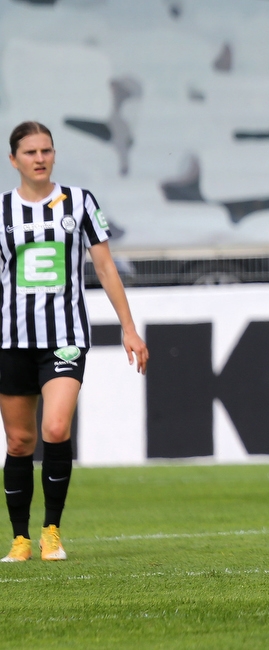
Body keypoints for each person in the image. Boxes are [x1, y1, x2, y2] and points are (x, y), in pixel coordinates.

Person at [0, 121, 148, 562]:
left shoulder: (80, 203)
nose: (40, 158)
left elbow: (104, 269)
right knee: (20, 443)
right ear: (14, 160)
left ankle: (51, 531)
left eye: (46, 150)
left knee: (56, 428)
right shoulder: (2, 210)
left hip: (65, 337)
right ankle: (20, 538)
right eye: (30, 152)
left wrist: (129, 327)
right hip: (12, 338)